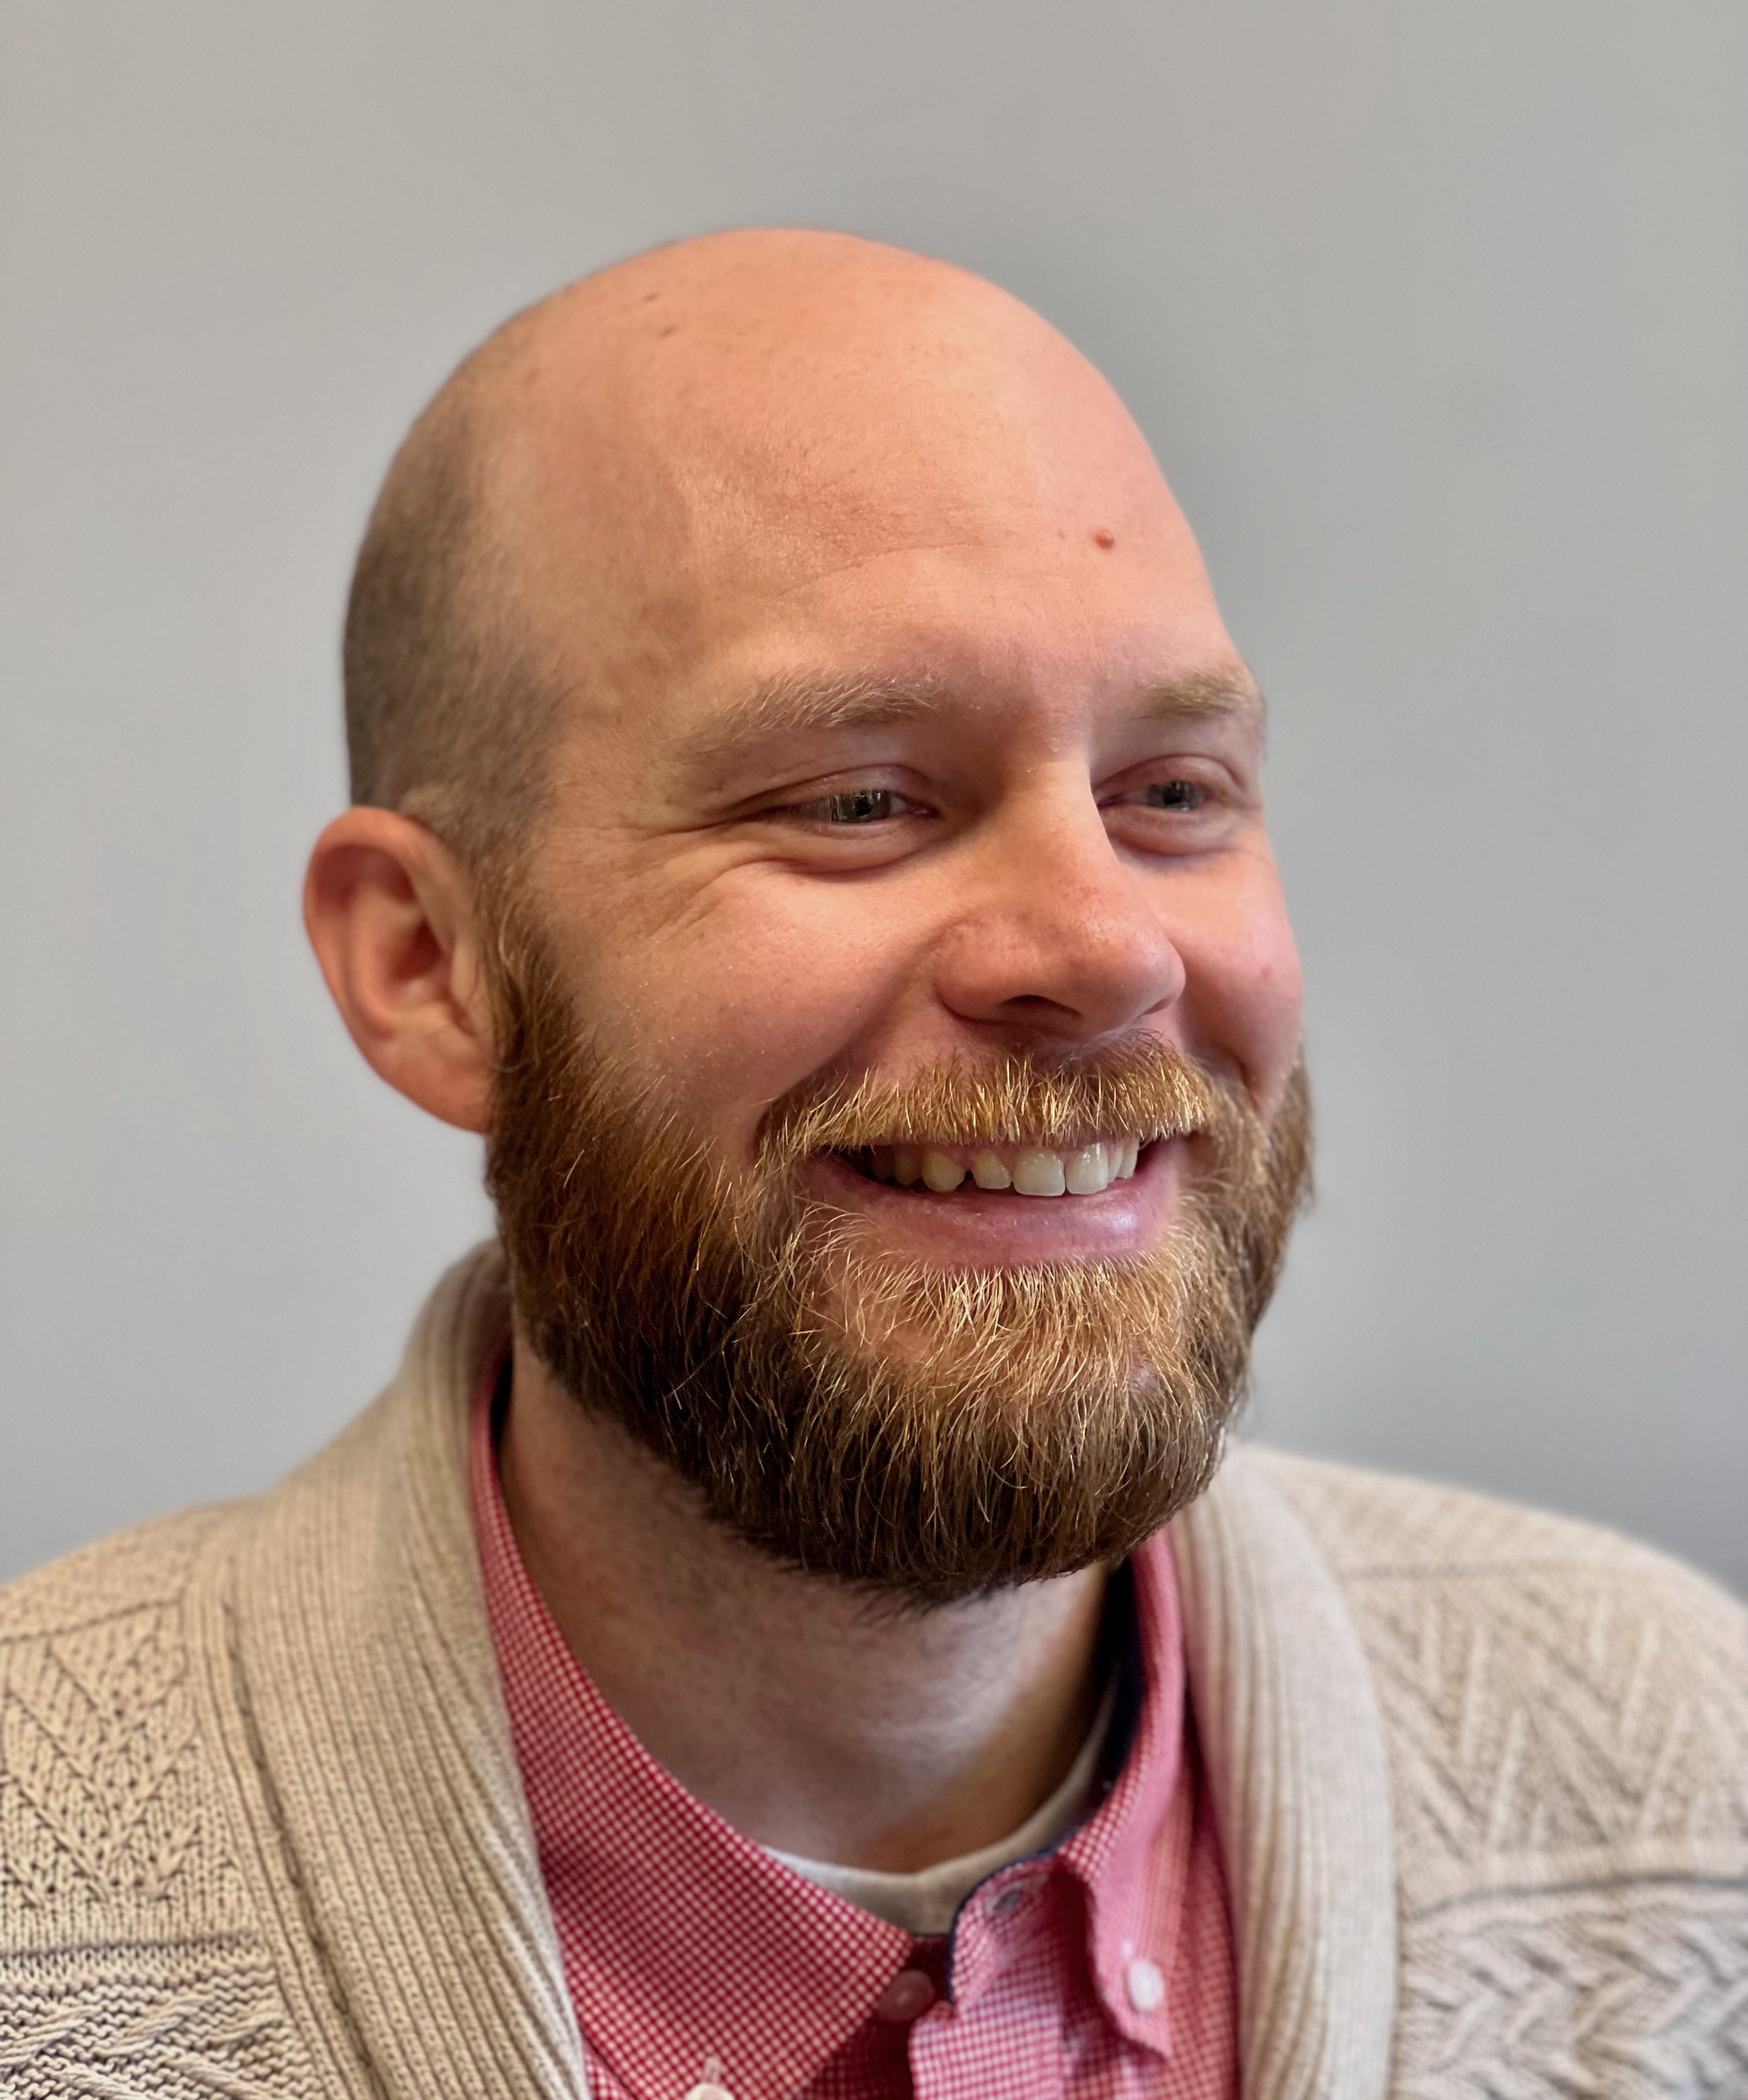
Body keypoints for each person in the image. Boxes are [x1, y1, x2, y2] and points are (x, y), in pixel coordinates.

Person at [3, 231, 1744, 2100]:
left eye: (1172, 796)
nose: (1107, 951)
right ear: (432, 966)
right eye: (857, 802)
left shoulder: (1681, 1784)